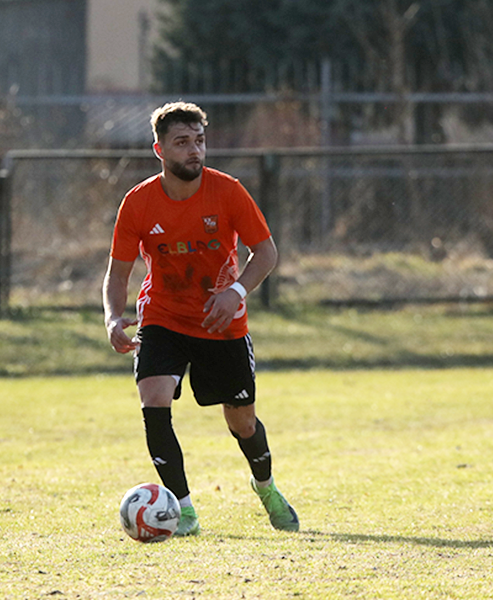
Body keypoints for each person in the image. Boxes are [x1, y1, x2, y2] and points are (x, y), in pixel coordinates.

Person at [102, 101, 299, 536]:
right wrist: (114, 318)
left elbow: (265, 253)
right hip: (163, 317)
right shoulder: (137, 203)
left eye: (200, 141)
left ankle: (265, 486)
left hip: (221, 323)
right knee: (153, 400)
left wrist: (235, 291)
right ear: (160, 150)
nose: (195, 150)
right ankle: (184, 511)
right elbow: (117, 273)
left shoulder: (227, 191)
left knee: (241, 421)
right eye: (183, 142)